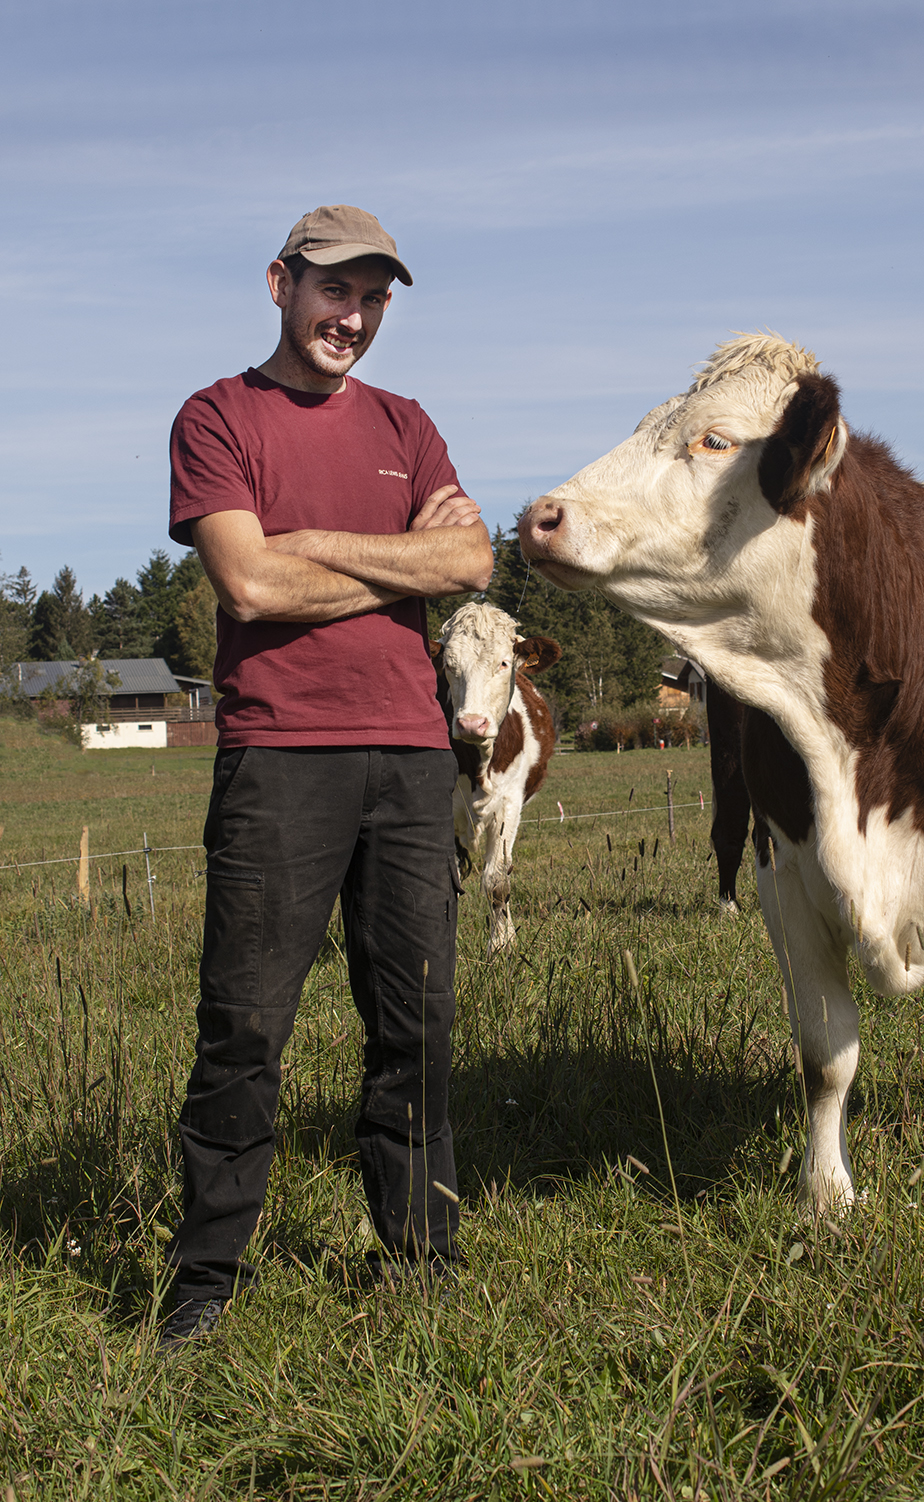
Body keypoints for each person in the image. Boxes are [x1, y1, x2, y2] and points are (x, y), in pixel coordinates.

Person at [160, 204, 493, 1345]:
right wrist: (404, 567)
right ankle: (204, 1281)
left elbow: (473, 558)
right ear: (279, 284)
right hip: (278, 761)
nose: (352, 316)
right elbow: (247, 588)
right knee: (246, 1026)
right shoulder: (217, 417)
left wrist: (313, 547)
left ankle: (420, 1261)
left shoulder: (408, 421)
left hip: (408, 758)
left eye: (374, 297)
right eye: (333, 290)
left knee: (417, 1021)